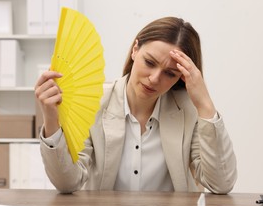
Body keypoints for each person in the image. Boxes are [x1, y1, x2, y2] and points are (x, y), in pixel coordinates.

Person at [35, 16, 237, 194]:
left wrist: (205, 104)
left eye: (170, 74)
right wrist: (51, 118)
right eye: (149, 62)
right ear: (135, 50)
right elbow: (68, 183)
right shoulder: (95, 102)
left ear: (181, 78)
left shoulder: (187, 110)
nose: (155, 78)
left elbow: (221, 184)